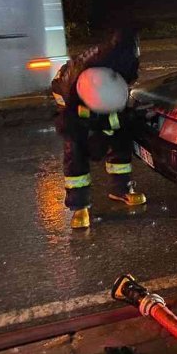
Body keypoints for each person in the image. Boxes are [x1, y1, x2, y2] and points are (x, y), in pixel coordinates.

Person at [51, 28, 146, 229]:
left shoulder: (124, 58)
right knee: (75, 150)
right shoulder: (72, 86)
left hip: (106, 93)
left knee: (120, 134)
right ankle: (79, 206)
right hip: (76, 102)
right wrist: (91, 136)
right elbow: (70, 125)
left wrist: (116, 122)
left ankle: (122, 189)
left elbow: (125, 85)